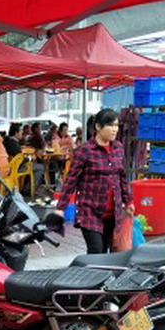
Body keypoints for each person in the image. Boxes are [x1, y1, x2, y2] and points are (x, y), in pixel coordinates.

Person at [56, 108, 133, 254]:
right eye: (110, 125)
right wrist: (60, 208)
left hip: (113, 212)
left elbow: (122, 177)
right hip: (89, 211)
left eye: (116, 126)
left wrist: (128, 201)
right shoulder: (84, 151)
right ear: (98, 127)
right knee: (96, 250)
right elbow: (70, 181)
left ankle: (103, 276)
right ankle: (91, 276)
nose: (114, 130)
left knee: (106, 251)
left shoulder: (118, 148)